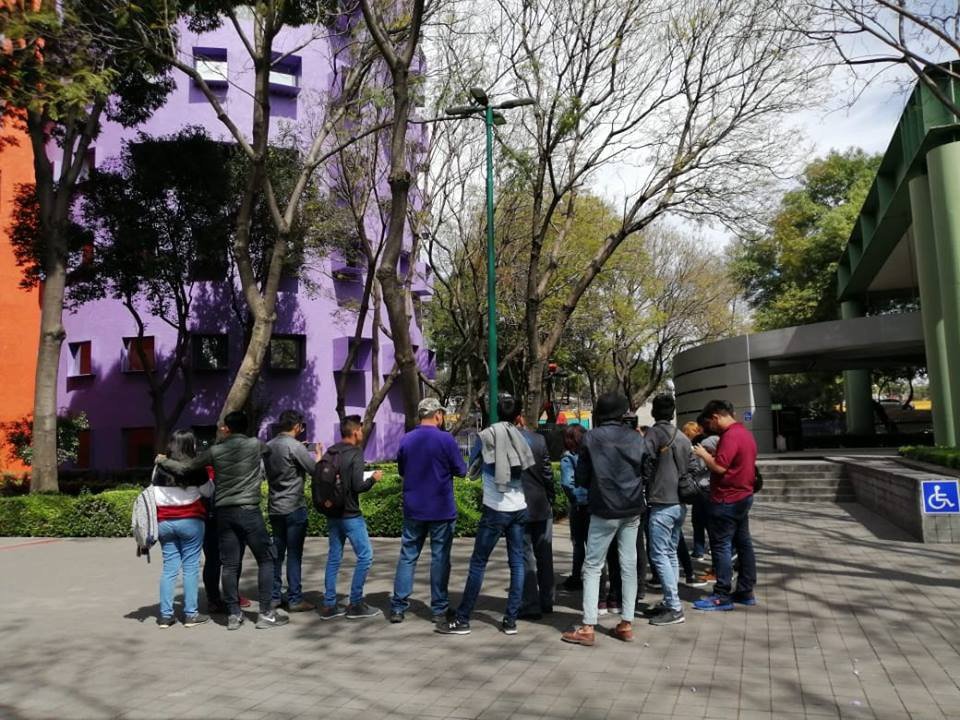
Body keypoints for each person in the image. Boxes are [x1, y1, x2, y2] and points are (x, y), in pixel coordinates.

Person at [157, 411, 287, 631]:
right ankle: (266, 613)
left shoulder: (215, 451)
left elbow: (187, 468)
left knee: (229, 564)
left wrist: (164, 461)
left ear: (226, 428)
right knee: (266, 558)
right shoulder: (256, 444)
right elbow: (270, 451)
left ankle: (234, 615)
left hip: (224, 513)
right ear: (246, 426)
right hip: (249, 510)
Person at [436, 396, 535, 636]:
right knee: (517, 563)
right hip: (519, 507)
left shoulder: (486, 436)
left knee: (478, 563)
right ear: (518, 416)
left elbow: (471, 467)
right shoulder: (525, 438)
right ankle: (510, 620)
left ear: (496, 412)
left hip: (495, 507)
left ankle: (463, 619)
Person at [561, 392, 646, 646]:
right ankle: (626, 623)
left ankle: (588, 626)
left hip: (603, 508)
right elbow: (646, 469)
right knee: (628, 564)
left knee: (593, 566)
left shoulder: (591, 437)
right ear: (622, 413)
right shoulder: (635, 437)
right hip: (632, 507)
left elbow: (582, 476)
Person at [389, 398, 467, 624]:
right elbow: (461, 470)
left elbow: (402, 470)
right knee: (440, 558)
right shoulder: (446, 439)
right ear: (438, 415)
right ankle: (439, 609)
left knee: (408, 556)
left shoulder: (407, 439)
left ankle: (398, 607)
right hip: (441, 509)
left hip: (414, 508)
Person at [692, 399, 758, 611]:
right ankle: (746, 590)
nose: (710, 428)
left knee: (721, 546)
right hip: (743, 496)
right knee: (743, 543)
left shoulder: (729, 436)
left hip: (726, 499)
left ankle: (721, 595)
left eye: (710, 423)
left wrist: (704, 455)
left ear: (716, 417)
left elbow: (720, 467)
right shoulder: (745, 433)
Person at [320, 415, 384, 620]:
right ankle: (355, 603)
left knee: (334, 558)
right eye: (361, 430)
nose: (362, 433)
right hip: (350, 515)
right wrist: (373, 479)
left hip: (333, 514)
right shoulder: (355, 453)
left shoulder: (331, 452)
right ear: (355, 432)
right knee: (365, 556)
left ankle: (329, 605)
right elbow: (358, 486)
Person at [153, 430, 215, 628]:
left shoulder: (159, 467)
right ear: (191, 445)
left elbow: (154, 492)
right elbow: (208, 492)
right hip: (191, 522)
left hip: (164, 523)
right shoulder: (197, 468)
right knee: (190, 568)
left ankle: (165, 616)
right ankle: (190, 615)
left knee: (169, 568)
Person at [265, 409, 322, 613]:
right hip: (294, 507)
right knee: (294, 555)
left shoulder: (268, 446)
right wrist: (318, 455)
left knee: (277, 553)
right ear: (297, 426)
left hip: (275, 507)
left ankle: (274, 596)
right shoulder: (295, 446)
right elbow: (315, 471)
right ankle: (295, 598)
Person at [642, 394, 691, 626]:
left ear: (654, 412)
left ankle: (674, 607)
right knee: (670, 553)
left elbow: (642, 458)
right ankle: (672, 600)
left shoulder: (654, 433)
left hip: (662, 502)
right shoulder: (682, 436)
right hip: (680, 503)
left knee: (658, 555)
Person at [517, 407, 555, 620]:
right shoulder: (539, 440)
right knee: (544, 554)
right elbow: (547, 473)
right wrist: (551, 497)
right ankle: (547, 600)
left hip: (518, 505)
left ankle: (530, 604)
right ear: (520, 418)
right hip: (541, 503)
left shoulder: (506, 441)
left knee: (525, 555)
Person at [559, 424, 588, 591]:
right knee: (593, 544)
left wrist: (575, 498)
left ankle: (576, 577)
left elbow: (566, 482)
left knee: (578, 543)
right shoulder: (589, 454)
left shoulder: (568, 457)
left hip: (578, 506)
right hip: (594, 503)